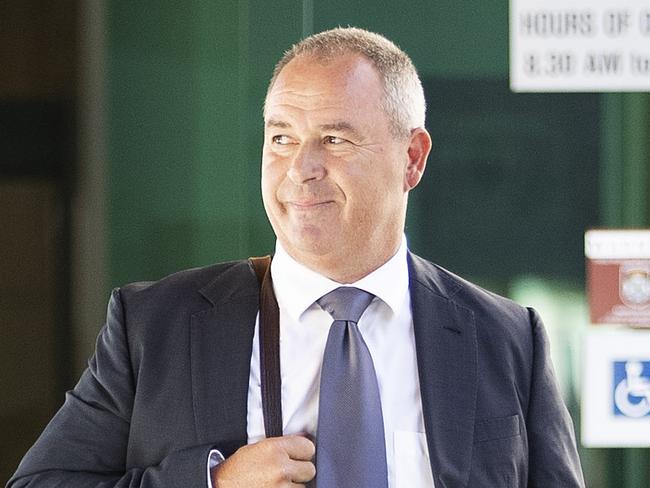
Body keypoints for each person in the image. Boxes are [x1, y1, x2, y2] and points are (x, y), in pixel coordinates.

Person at [7, 27, 585, 487]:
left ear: (412, 158)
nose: (299, 169)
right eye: (281, 137)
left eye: (334, 139)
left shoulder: (507, 338)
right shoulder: (156, 325)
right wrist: (212, 483)